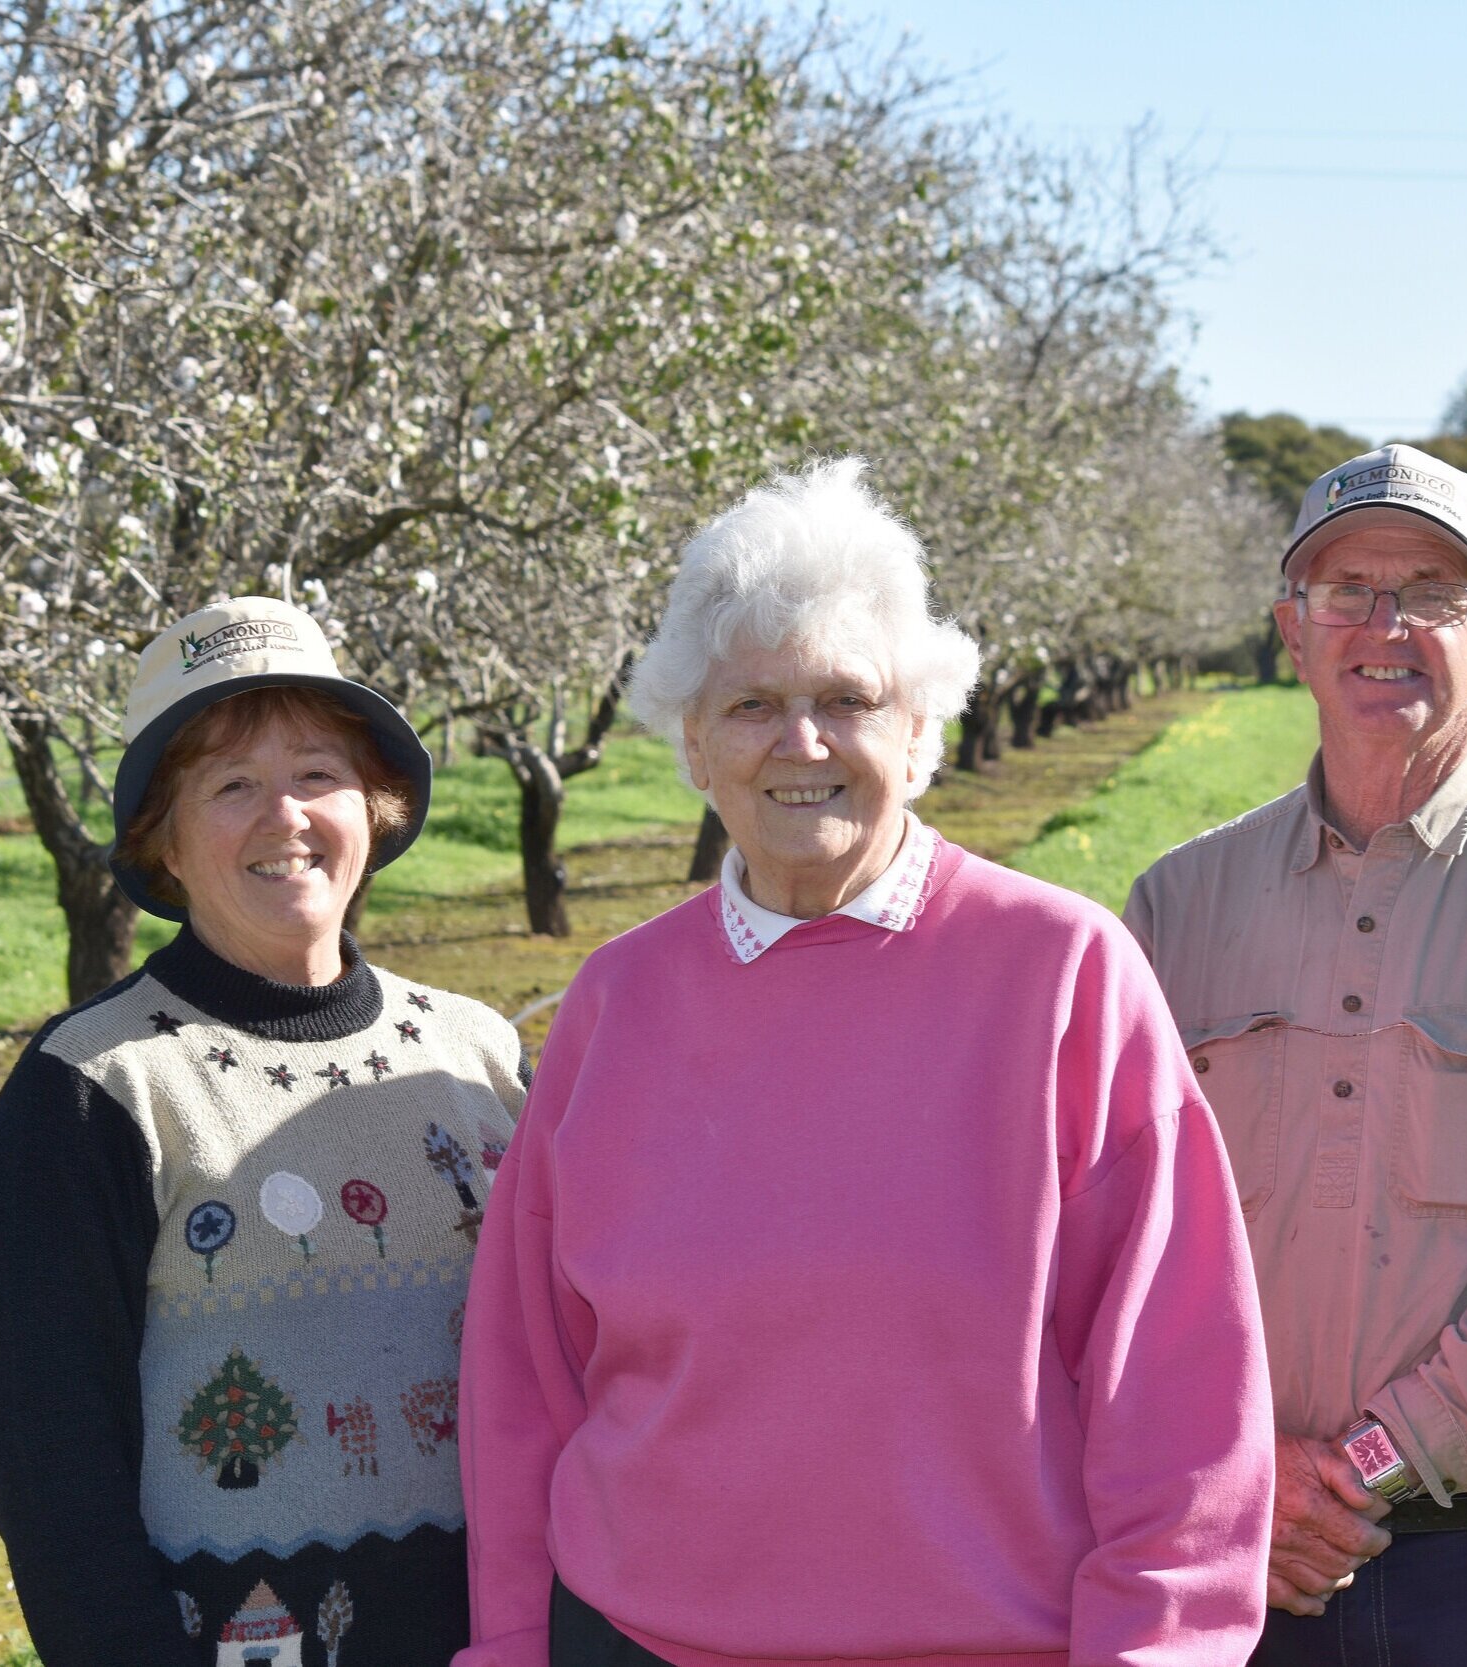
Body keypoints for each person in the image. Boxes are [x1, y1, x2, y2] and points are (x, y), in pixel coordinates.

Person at [455, 457, 1273, 1667]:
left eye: (846, 698)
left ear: (919, 728)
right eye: (749, 705)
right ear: (689, 739)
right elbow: (526, 1373)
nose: (800, 742)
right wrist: (513, 1643)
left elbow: (1179, 1375)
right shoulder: (615, 1000)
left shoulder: (1061, 973)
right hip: (634, 1642)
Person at [1125, 442, 1467, 1667]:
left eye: (1432, 591)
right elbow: (1106, 1240)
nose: (1385, 622)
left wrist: (1359, 1464)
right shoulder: (1174, 902)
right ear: (1291, 632)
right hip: (1234, 1549)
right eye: (1345, 588)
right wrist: (1240, 1478)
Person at [0, 597, 530, 1666]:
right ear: (165, 840)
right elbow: (49, 1453)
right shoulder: (94, 1085)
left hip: (503, 1636)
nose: (284, 814)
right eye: (231, 784)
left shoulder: (478, 1055)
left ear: (374, 807)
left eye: (319, 773)